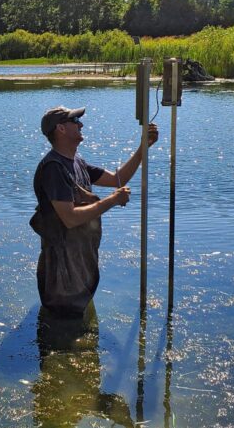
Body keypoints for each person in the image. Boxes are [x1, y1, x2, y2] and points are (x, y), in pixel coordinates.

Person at [30, 106, 158, 317]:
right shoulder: (54, 168)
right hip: (62, 268)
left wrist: (143, 147)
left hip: (79, 260)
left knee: (78, 324)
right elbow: (70, 219)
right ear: (61, 129)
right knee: (63, 325)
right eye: (75, 121)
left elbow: (118, 180)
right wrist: (113, 200)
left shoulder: (77, 161)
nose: (81, 125)